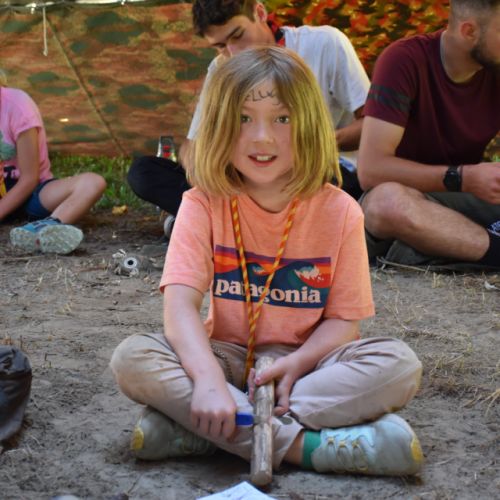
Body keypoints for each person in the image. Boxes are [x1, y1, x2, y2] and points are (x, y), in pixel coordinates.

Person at [111, 47, 424, 477]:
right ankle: (308, 447)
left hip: (308, 370)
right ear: (219, 126)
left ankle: (204, 430)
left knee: (399, 366)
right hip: (226, 358)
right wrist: (208, 379)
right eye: (243, 118)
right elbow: (180, 306)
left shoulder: (342, 212)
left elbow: (343, 322)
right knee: (133, 357)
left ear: (309, 125)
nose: (262, 137)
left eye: (282, 119)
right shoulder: (201, 204)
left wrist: (297, 363)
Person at [128, 0, 370, 238]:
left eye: (238, 35)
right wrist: (204, 177)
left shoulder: (325, 44)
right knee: (144, 172)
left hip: (315, 169)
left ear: (260, 12)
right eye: (220, 46)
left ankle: (211, 225)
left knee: (324, 182)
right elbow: (193, 146)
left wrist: (310, 143)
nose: (233, 52)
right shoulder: (221, 67)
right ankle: (227, 222)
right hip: (248, 173)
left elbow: (371, 126)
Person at [357, 0, 500, 268]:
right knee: (387, 204)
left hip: (462, 201)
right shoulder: (404, 60)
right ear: (469, 31)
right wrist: (464, 178)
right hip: (408, 198)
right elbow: (371, 170)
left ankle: (452, 247)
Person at [0, 71, 106, 254]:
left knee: (93, 182)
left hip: (31, 192)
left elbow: (29, 178)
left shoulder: (17, 105)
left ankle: (45, 229)